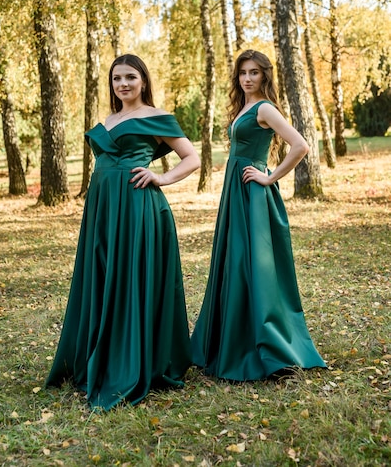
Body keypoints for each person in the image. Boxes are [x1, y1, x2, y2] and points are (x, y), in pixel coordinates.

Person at [46, 54, 200, 409]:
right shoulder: (110, 119)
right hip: (103, 210)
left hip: (137, 210)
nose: (123, 84)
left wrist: (160, 177)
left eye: (131, 77)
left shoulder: (156, 117)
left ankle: (131, 361)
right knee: (102, 276)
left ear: (143, 81)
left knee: (131, 279)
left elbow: (191, 158)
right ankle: (98, 353)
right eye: (117, 79)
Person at [191, 49, 326, 380]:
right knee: (235, 264)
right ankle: (230, 343)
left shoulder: (265, 108)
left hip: (253, 195)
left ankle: (271, 352)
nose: (247, 78)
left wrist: (268, 176)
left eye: (254, 72)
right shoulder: (244, 108)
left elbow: (300, 145)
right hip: (235, 194)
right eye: (242, 73)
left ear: (265, 75)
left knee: (254, 267)